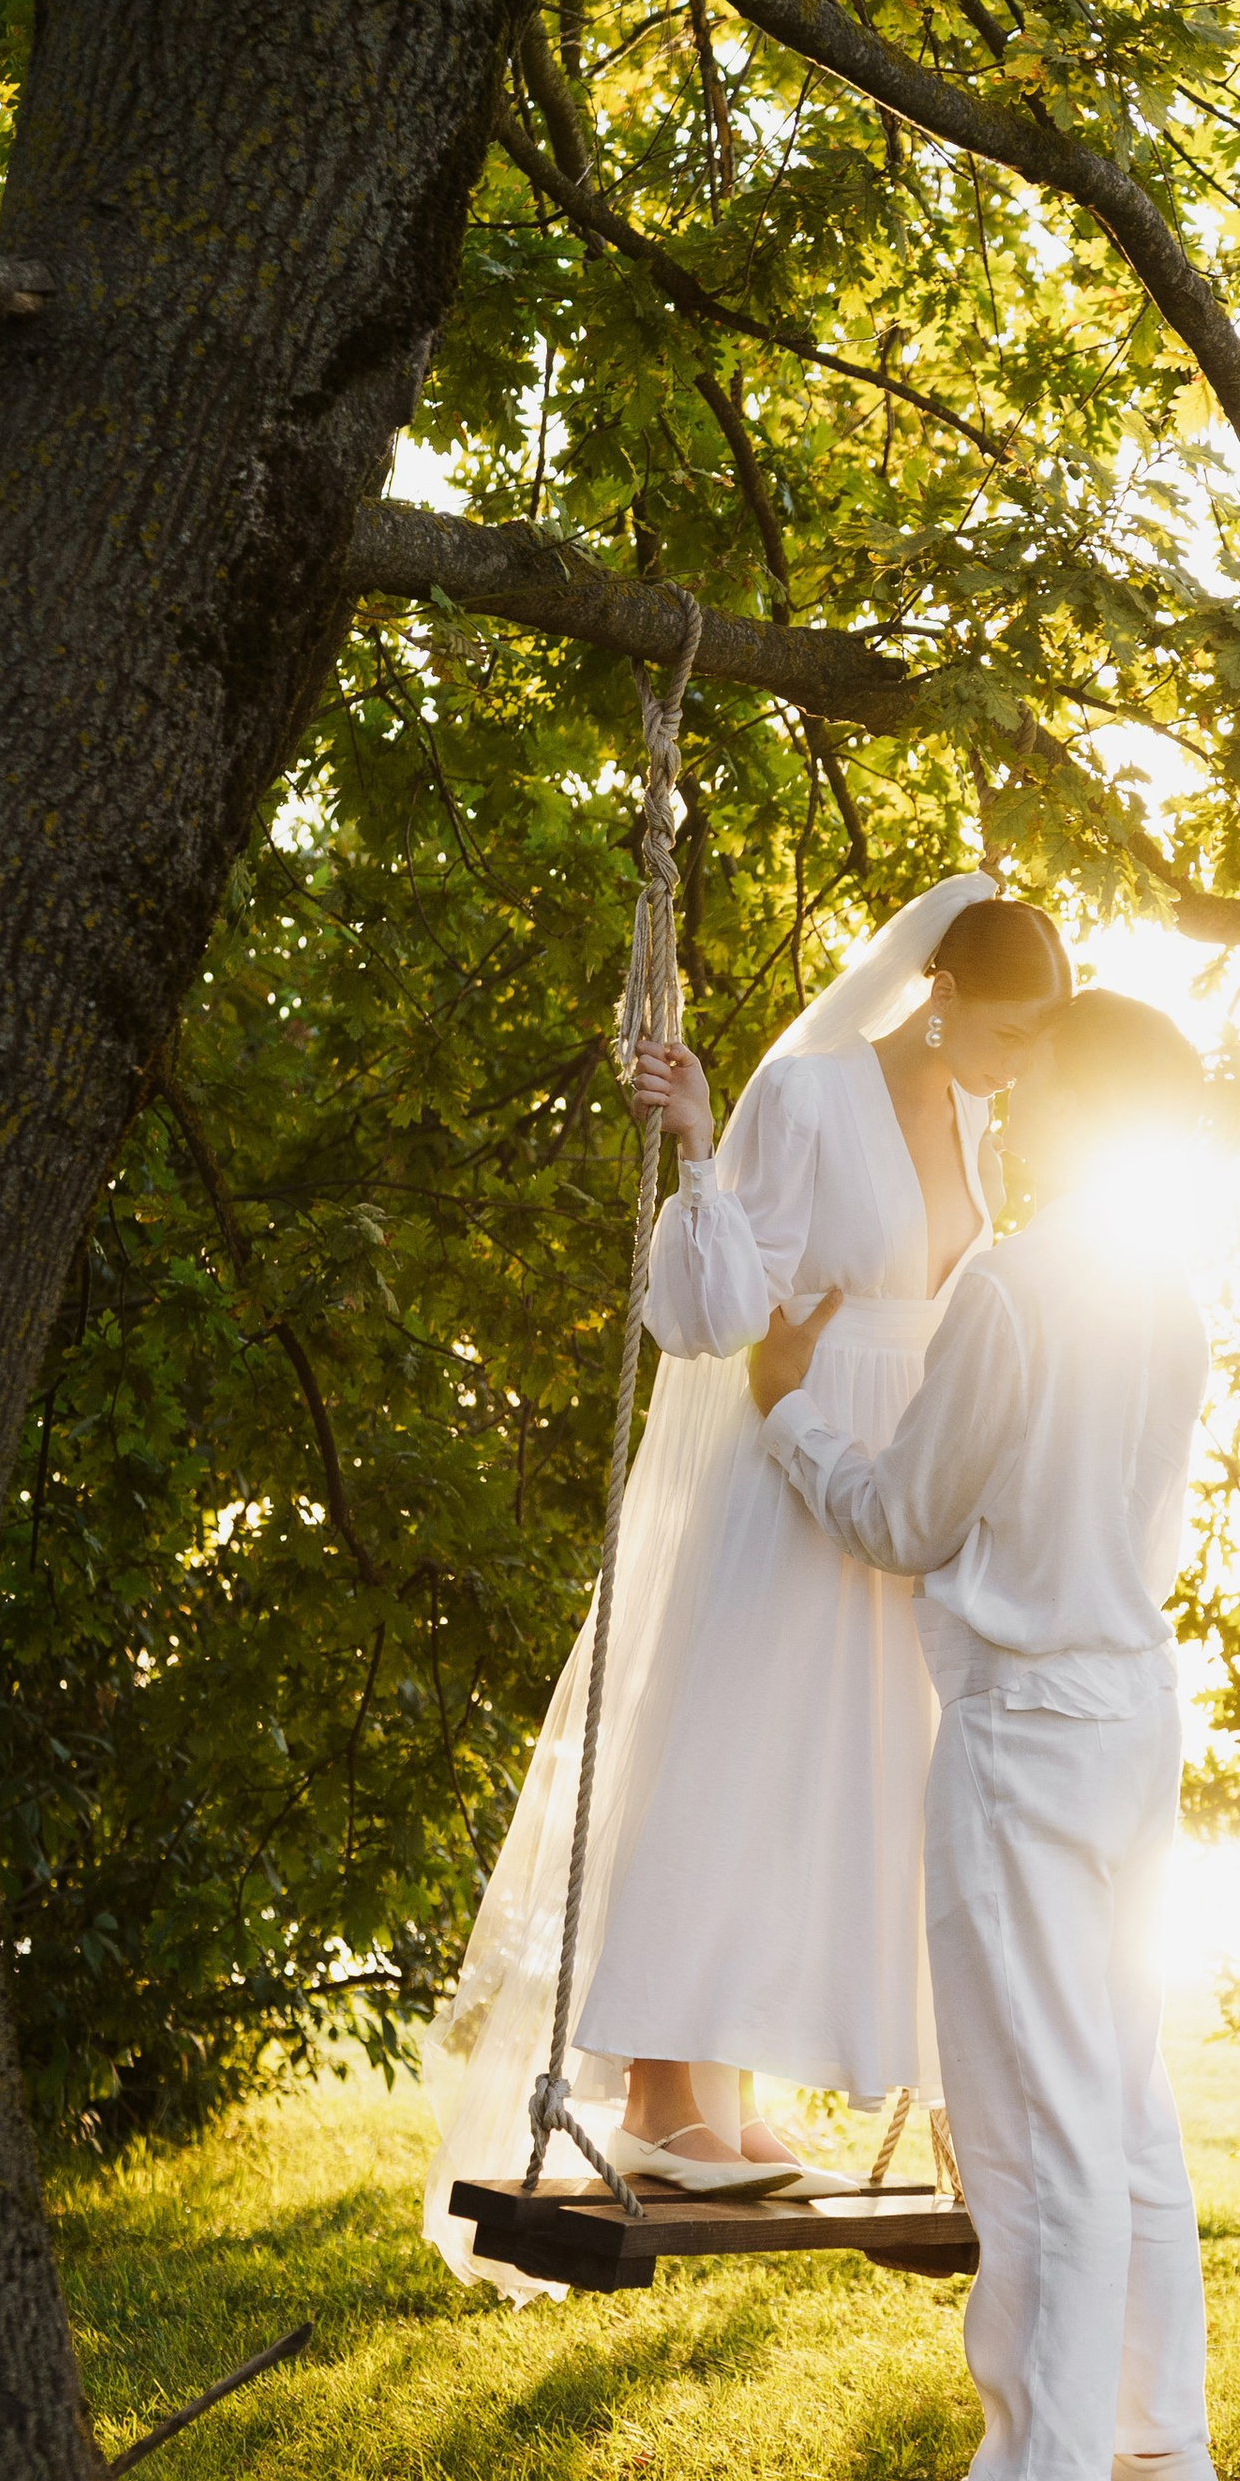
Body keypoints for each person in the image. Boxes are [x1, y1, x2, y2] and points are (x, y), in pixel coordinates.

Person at [420, 879, 1073, 2275]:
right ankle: (659, 2096)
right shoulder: (814, 1092)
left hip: (890, 1475)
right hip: (794, 1450)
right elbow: (711, 1317)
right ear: (945, 990)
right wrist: (702, 1149)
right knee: (737, 1758)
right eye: (1010, 1032)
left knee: (837, 1778)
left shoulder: (974, 1118)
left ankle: (733, 2093)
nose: (1021, 1066)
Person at [748, 990, 1226, 2481]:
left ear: (1086, 1111)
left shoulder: (1016, 1286)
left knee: (1032, 2120)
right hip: (1132, 1718)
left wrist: (791, 1418)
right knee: (1125, 2108)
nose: (1006, 1113)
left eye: (1037, 1092)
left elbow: (904, 1520)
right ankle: (1156, 2457)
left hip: (1026, 1727)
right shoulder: (1170, 1293)